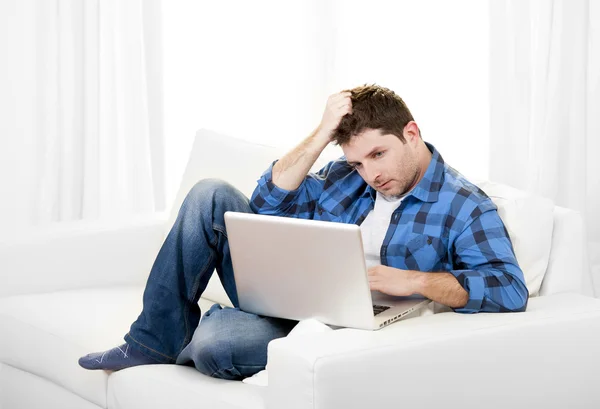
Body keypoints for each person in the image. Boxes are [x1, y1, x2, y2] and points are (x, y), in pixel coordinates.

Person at [79, 85, 529, 380]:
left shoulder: (464, 205)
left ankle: (196, 331)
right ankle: (152, 341)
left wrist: (411, 281)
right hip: (294, 296)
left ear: (411, 133)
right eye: (358, 162)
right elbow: (267, 203)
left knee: (217, 347)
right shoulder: (346, 175)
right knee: (211, 194)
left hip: (344, 329)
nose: (370, 173)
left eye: (378, 154)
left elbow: (509, 288)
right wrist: (320, 134)